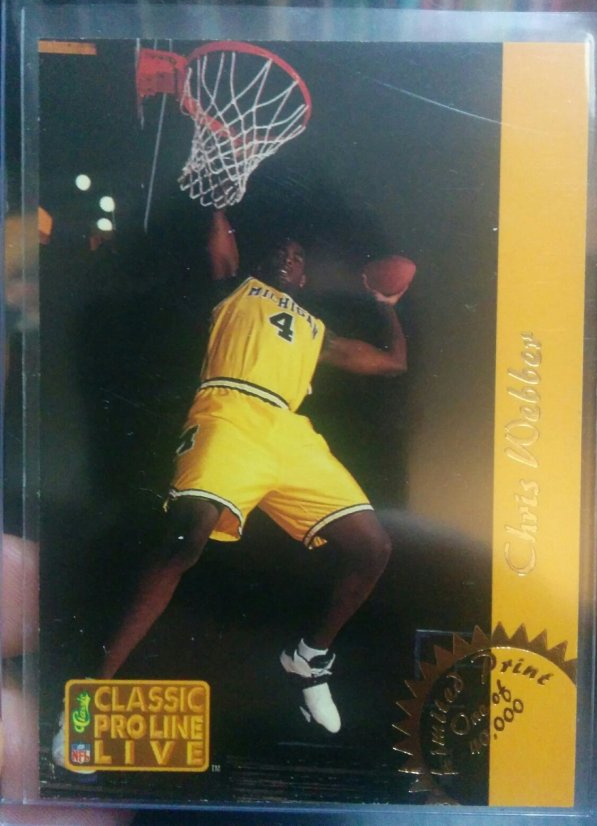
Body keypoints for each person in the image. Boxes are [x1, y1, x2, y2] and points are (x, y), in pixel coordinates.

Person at [53, 210, 407, 767]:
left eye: (297, 255)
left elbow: (392, 364)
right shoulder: (236, 288)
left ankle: (309, 658)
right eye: (280, 249)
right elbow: (219, 243)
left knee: (374, 547)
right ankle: (88, 700)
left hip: (290, 432)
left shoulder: (318, 330)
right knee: (183, 542)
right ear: (258, 259)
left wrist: (387, 306)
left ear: (304, 276)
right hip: (229, 412)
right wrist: (221, 196)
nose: (288, 256)